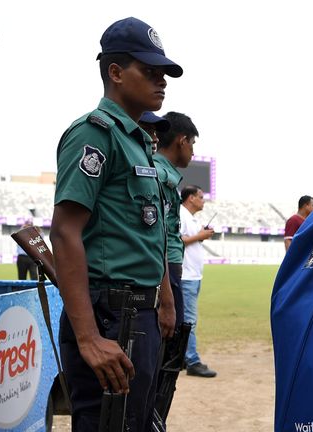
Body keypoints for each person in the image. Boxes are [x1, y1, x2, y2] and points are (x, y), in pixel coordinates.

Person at [50, 17, 180, 431]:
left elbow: (148, 233)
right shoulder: (95, 135)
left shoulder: (139, 143)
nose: (161, 81)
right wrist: (88, 337)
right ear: (116, 73)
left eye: (164, 73)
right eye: (150, 71)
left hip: (137, 315)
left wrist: (163, 300)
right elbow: (65, 232)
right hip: (109, 317)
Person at [153, 111, 200, 328]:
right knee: (169, 342)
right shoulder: (160, 175)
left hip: (167, 267)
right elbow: (158, 235)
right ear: (181, 141)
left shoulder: (164, 172)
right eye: (192, 144)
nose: (192, 151)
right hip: (165, 270)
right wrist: (166, 295)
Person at [179, 185, 217, 377]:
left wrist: (200, 235)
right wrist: (200, 236)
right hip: (187, 276)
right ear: (191, 198)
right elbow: (177, 239)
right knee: (189, 321)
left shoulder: (191, 218)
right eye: (201, 197)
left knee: (185, 320)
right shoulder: (181, 214)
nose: (203, 200)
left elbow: (190, 239)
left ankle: (182, 358)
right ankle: (192, 360)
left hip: (193, 275)